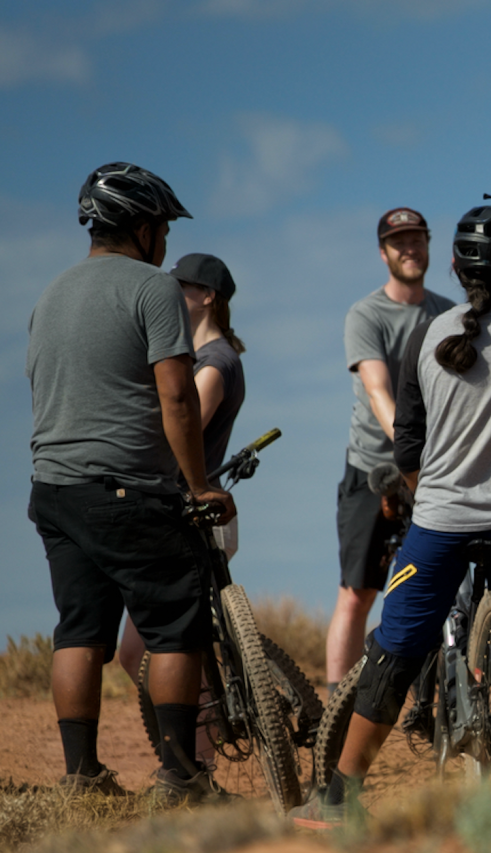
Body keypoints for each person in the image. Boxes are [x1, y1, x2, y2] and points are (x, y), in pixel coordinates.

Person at [290, 195, 491, 828]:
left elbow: (408, 449)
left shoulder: (427, 337)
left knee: (396, 650)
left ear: (455, 265)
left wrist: (439, 496)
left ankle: (338, 799)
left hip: (440, 524)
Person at [26, 162, 236, 803]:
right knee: (175, 630)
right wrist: (197, 485)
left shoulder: (51, 293)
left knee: (79, 631)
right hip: (128, 489)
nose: (166, 241)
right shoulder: (152, 288)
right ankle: (181, 777)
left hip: (53, 489)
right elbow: (177, 396)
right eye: (164, 229)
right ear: (142, 229)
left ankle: (81, 778)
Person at [116, 254, 247, 765]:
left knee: (163, 649)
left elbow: (179, 431)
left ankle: (201, 764)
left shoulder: (215, 363)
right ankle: (196, 758)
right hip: (184, 515)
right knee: (136, 653)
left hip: (196, 516)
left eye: (182, 286)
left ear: (208, 296)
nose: (170, 293)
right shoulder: (198, 357)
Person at [326, 209, 455, 694]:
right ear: (384, 253)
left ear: (429, 245)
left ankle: (438, 699)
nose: (410, 249)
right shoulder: (367, 314)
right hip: (373, 469)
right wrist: (411, 450)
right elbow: (377, 388)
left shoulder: (447, 314)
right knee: (357, 593)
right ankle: (337, 705)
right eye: (399, 242)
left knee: (441, 587)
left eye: (417, 239)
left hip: (434, 469)